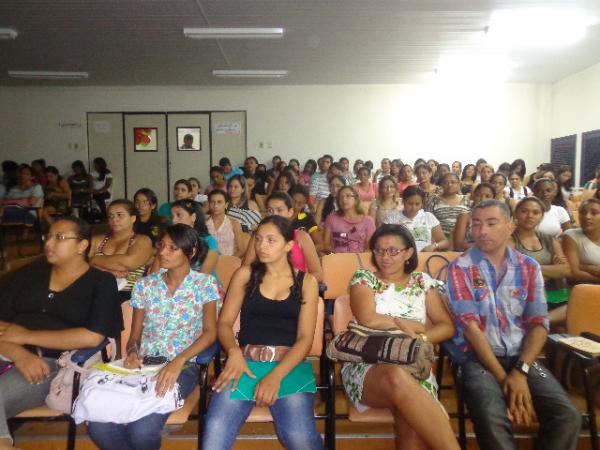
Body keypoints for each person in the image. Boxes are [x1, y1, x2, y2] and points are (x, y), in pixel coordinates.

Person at [446, 199, 581, 450]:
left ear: (510, 226)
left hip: (522, 357)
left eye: (491, 223)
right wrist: (505, 378)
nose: (482, 230)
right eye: (476, 224)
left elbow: (539, 323)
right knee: (492, 419)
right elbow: (471, 329)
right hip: (477, 359)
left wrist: (520, 371)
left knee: (568, 417)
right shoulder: (460, 268)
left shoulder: (528, 267)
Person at [88, 224, 219, 450]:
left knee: (143, 430)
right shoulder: (145, 285)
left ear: (191, 252)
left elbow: (210, 333)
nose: (162, 253)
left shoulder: (204, 284)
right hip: (143, 366)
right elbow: (135, 336)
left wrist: (178, 361)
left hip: (183, 367)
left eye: (172, 248)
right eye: (161, 246)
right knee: (99, 426)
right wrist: (132, 353)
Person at [0, 217, 122, 450]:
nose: (49, 243)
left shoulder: (100, 282)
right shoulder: (29, 274)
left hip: (52, 365)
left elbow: (92, 337)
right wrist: (18, 353)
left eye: (60, 237)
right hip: (10, 352)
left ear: (82, 245)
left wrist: (26, 337)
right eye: (48, 236)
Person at [202, 216, 322, 450]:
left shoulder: (306, 282)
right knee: (214, 435)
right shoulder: (245, 275)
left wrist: (275, 377)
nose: (261, 246)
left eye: (271, 240)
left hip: (288, 366)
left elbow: (305, 339)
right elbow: (224, 323)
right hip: (244, 364)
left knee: (299, 438)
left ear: (289, 245)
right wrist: (234, 353)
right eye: (258, 240)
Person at [342, 224, 458, 450]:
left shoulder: (423, 282)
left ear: (408, 253)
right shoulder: (364, 278)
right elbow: (368, 319)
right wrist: (417, 326)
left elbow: (447, 327)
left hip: (414, 365)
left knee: (411, 418)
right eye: (379, 250)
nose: (385, 256)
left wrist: (421, 339)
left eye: (393, 251)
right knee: (396, 377)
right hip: (366, 364)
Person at [510, 197, 571, 316]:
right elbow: (514, 271)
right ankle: (539, 321)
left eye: (535, 212)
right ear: (516, 214)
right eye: (524, 211)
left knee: (581, 306)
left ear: (542, 216)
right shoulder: (509, 240)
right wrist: (552, 269)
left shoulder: (549, 240)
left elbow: (566, 270)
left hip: (552, 292)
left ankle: (541, 321)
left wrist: (529, 268)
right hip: (523, 292)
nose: (530, 216)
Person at [244, 192, 323, 282]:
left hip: (296, 288)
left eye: (279, 210)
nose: (274, 214)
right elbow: (246, 269)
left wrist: (289, 284)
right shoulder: (258, 236)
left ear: (290, 212)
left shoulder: (301, 237)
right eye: (270, 210)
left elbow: (318, 274)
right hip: (265, 287)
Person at [89, 199, 153, 302]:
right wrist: (109, 271)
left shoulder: (142, 240)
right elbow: (81, 266)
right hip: (96, 291)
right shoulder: (97, 240)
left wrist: (94, 259)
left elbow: (128, 263)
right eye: (111, 216)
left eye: (120, 215)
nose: (114, 219)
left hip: (128, 296)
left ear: (133, 218)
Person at [170, 199, 219, 276]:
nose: (173, 221)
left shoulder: (209, 242)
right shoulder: (170, 240)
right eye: (172, 216)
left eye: (179, 215)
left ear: (193, 217)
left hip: (203, 285)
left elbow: (204, 275)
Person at [323, 186, 375, 254]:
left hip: (360, 260)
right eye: (341, 197)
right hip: (337, 259)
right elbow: (325, 245)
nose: (344, 199)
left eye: (348, 196)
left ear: (356, 199)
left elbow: (369, 248)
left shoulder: (368, 221)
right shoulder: (331, 218)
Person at [395, 186, 448, 252]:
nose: (413, 207)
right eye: (410, 204)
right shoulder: (393, 218)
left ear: (422, 203)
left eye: (417, 204)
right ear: (403, 201)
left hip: (424, 256)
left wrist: (434, 246)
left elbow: (444, 242)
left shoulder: (428, 217)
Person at [562, 198, 600, 283]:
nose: (587, 216)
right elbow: (574, 272)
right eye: (583, 212)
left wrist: (584, 267)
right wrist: (593, 270)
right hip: (585, 288)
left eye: (594, 213)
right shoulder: (571, 235)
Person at [426, 173, 471, 238]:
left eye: (453, 182)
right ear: (441, 184)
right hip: (440, 239)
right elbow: (428, 221)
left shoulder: (466, 199)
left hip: (463, 239)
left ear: (459, 184)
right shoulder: (433, 199)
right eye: (446, 182)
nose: (449, 185)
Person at [453, 183, 495, 252]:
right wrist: (487, 244)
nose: (483, 199)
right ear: (473, 196)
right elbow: (458, 246)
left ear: (493, 199)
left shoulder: (496, 219)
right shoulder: (465, 217)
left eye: (487, 196)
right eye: (479, 195)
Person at [207, 190, 245, 257]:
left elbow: (241, 250)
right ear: (209, 204)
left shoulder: (234, 223)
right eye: (212, 202)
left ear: (226, 205)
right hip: (207, 263)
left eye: (219, 202)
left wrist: (227, 262)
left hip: (228, 262)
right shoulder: (203, 224)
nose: (215, 205)